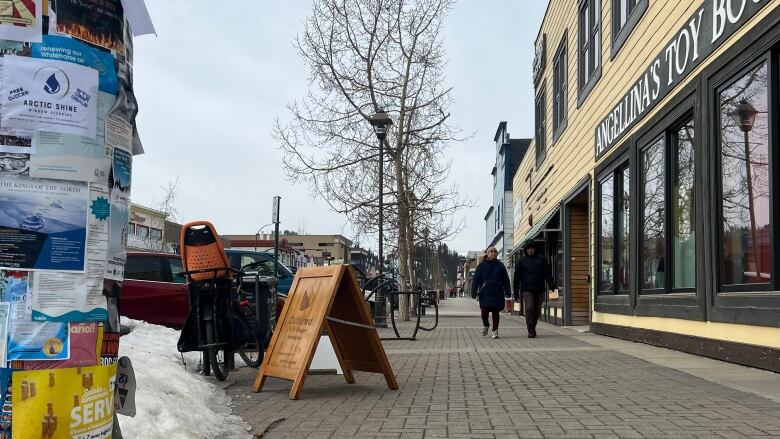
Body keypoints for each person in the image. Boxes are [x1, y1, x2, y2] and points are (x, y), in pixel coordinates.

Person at [513, 240, 556, 338]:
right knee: (529, 307)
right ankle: (530, 329)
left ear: (535, 249)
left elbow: (548, 274)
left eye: (532, 248)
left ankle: (533, 325)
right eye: (528, 248)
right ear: (526, 250)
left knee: (537, 310)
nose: (530, 250)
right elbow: (516, 277)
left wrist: (551, 284)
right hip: (527, 289)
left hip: (539, 288)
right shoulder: (521, 261)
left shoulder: (542, 260)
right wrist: (515, 292)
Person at [472, 247, 511, 339]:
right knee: (484, 312)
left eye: (495, 252)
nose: (493, 253)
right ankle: (486, 325)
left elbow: (506, 280)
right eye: (491, 252)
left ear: (497, 254)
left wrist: (508, 292)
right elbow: (476, 280)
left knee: (495, 312)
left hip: (497, 292)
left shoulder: (500, 266)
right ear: (487, 254)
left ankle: (495, 330)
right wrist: (473, 292)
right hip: (485, 293)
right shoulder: (481, 265)